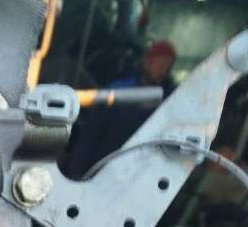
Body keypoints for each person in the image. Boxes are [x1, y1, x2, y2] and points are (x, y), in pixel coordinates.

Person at [66, 39, 177, 179]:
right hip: (102, 170)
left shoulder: (168, 103)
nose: (163, 71)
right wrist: (76, 174)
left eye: (167, 67)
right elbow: (90, 138)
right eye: (160, 65)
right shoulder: (118, 92)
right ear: (146, 62)